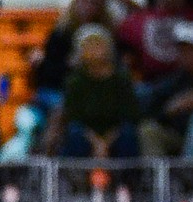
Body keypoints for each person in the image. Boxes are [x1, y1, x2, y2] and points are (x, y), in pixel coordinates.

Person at [54, 25, 140, 159]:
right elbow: (74, 118)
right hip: (86, 134)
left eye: (98, 44)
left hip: (115, 133)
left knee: (128, 134)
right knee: (74, 134)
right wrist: (97, 143)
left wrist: (106, 142)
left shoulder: (121, 79)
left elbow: (129, 116)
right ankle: (75, 177)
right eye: (88, 45)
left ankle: (128, 178)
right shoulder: (74, 81)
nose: (94, 50)